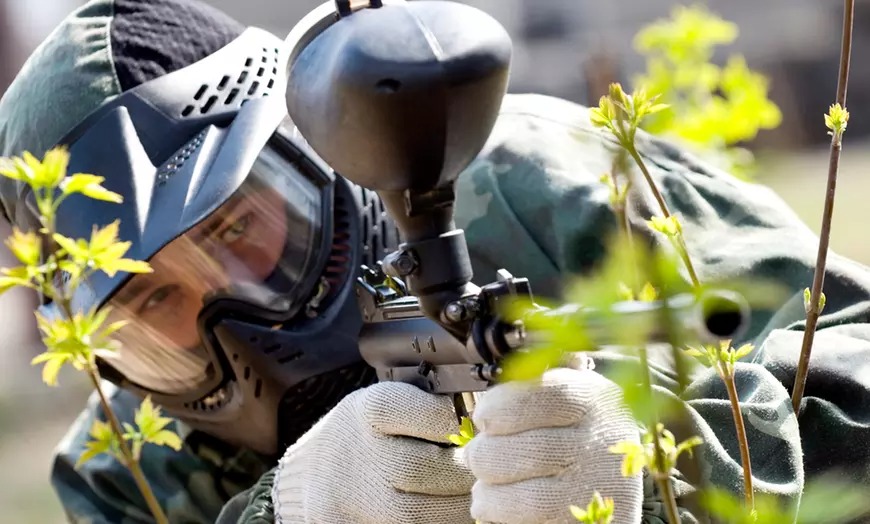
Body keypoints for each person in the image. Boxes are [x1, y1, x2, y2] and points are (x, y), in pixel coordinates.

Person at [2, 1, 870, 523]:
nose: (231, 324)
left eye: (239, 233)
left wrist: (673, 454)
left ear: (321, 152)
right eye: (151, 304)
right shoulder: (130, 472)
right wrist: (288, 511)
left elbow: (854, 359)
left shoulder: (544, 183)